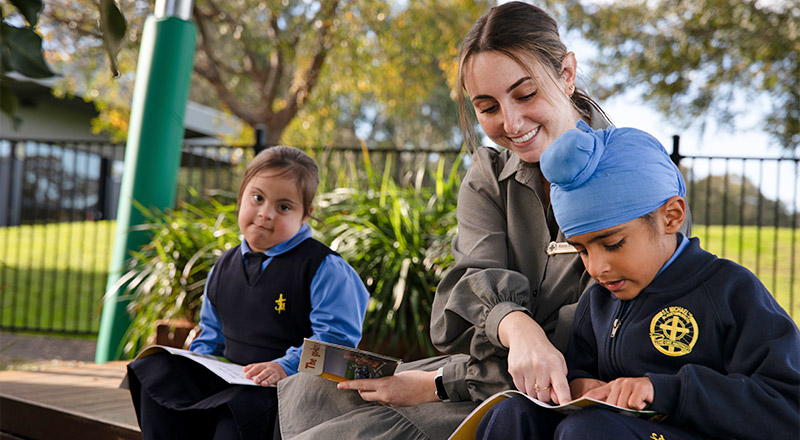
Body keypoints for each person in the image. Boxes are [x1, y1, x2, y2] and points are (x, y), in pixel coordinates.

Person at [277, 3, 690, 439]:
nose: (511, 122)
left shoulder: (639, 178)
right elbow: (472, 287)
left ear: (567, 74)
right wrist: (518, 328)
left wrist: (439, 384)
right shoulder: (488, 175)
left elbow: (600, 347)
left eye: (526, 94)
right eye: (488, 106)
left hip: (544, 398)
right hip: (481, 374)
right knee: (311, 387)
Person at [475, 123, 800, 439]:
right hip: (606, 425)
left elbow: (788, 408)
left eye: (613, 244)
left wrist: (667, 391)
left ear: (671, 217)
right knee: (513, 414)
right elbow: (580, 369)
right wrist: (578, 384)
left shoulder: (731, 291)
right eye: (582, 251)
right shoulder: (598, 301)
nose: (596, 268)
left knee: (589, 430)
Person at [126, 146, 370, 439]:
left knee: (239, 409)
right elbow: (211, 335)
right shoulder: (223, 265)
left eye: (284, 207)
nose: (265, 214)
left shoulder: (324, 268)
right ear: (241, 197)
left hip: (286, 392)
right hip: (233, 379)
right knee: (154, 371)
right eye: (257, 198)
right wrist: (197, 364)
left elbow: (336, 342)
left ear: (306, 214)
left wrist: (284, 366)